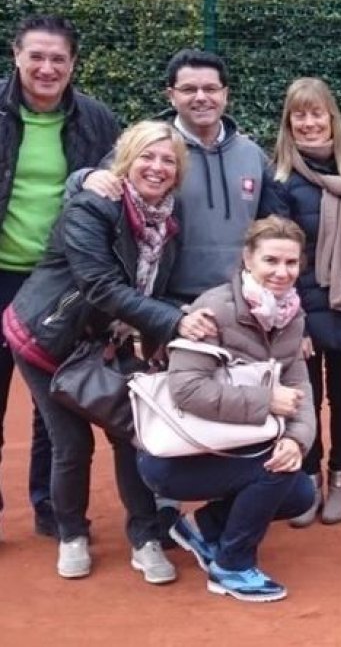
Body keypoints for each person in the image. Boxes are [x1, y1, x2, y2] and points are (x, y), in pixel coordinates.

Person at [80, 48, 283, 534]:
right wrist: (84, 177)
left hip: (239, 310)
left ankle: (227, 506)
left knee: (233, 405)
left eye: (210, 88)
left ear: (226, 93)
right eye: (188, 89)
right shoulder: (155, 151)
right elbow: (101, 184)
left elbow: (273, 230)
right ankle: (165, 505)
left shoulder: (252, 154)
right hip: (169, 310)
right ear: (171, 94)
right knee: (176, 407)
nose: (201, 97)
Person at [4, 120, 213, 581]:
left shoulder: (168, 224)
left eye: (168, 161)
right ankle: (72, 533)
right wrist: (175, 321)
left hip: (104, 341)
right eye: (147, 157)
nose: (156, 168)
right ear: (126, 161)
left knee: (129, 435)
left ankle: (144, 539)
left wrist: (162, 338)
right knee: (71, 444)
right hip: (47, 337)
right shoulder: (93, 207)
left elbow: (156, 290)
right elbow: (100, 285)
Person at [137, 215, 315, 603]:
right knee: (275, 469)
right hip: (176, 457)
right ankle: (232, 566)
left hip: (235, 444)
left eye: (291, 263)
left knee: (300, 492)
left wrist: (298, 441)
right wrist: (266, 401)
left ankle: (203, 528)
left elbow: (300, 384)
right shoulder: (213, 309)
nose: (282, 272)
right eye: (271, 260)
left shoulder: (291, 314)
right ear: (247, 259)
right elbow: (187, 390)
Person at [0, 14, 120, 539]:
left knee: (55, 397)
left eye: (58, 59)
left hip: (62, 284)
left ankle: (49, 505)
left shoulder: (98, 121)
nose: (47, 68)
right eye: (37, 56)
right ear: (16, 56)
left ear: (73, 64)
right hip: (2, 274)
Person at [273, 77, 341, 527]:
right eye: (299, 115)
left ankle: (340, 479)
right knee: (305, 400)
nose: (309, 123)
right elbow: (278, 259)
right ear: (289, 123)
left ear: (331, 116)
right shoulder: (283, 181)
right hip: (302, 314)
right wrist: (298, 322)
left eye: (316, 113)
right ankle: (307, 481)